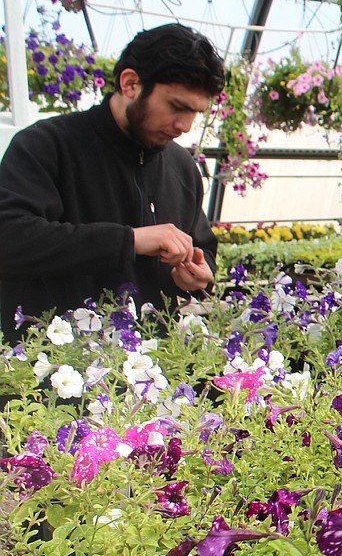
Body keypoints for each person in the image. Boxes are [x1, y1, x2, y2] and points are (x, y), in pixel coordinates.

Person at [0, 23, 224, 345]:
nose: (185, 127)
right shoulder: (48, 146)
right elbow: (9, 240)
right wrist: (129, 240)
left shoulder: (182, 167)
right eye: (177, 107)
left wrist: (200, 273)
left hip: (152, 377)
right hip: (53, 377)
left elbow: (203, 244)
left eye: (196, 113)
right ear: (130, 84)